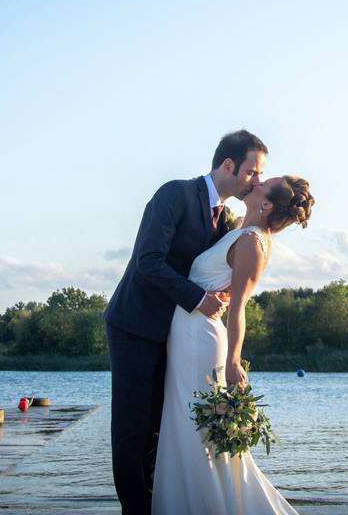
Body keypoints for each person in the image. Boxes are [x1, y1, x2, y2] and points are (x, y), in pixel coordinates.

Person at [104, 130, 269, 515]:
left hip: (177, 335)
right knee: (133, 427)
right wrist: (199, 300)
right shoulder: (174, 194)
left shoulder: (225, 218)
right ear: (228, 165)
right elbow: (148, 262)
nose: (256, 181)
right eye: (252, 172)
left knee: (162, 427)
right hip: (135, 325)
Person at [152, 175, 315, 514]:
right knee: (186, 428)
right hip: (187, 335)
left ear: (266, 204)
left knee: (192, 431)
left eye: (260, 185)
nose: (253, 184)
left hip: (200, 339)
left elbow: (238, 307)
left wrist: (233, 361)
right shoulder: (242, 230)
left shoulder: (252, 243)